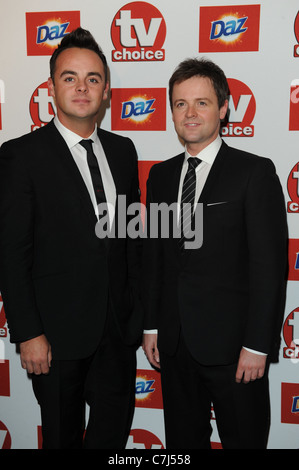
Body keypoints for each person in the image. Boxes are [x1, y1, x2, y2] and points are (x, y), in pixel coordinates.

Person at [0, 28, 143, 449]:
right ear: (51, 87)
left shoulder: (123, 150)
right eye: (70, 77)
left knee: (112, 435)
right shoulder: (20, 155)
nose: (82, 87)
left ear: (106, 92)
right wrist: (28, 333)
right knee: (62, 437)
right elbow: (11, 252)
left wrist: (136, 315)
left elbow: (131, 238)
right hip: (54, 336)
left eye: (93, 78)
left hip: (117, 332)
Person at [142, 58, 287, 449]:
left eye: (202, 103)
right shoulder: (160, 175)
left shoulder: (253, 172)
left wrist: (257, 345)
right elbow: (155, 259)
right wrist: (152, 326)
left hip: (235, 351)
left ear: (223, 108)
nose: (190, 114)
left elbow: (269, 268)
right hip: (174, 347)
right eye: (180, 104)